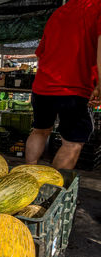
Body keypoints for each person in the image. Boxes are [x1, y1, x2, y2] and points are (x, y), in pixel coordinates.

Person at [25, 0, 101, 170]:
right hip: (74, 88)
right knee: (72, 142)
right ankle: (53, 190)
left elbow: (40, 54)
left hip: (43, 86)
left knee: (40, 130)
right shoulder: (97, 7)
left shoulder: (59, 12)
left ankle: (26, 176)